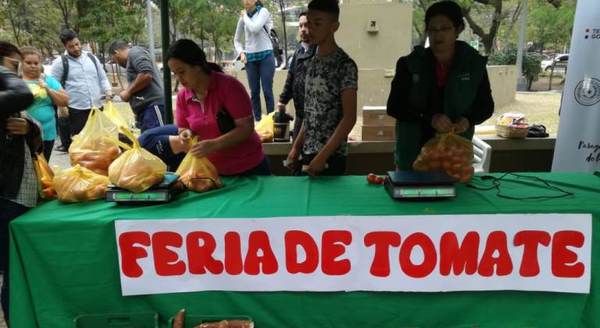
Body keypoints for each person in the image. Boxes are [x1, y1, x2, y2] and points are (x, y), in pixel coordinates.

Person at [386, 1, 494, 170]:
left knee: (456, 195)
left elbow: (486, 106)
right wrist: (429, 117)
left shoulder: (473, 65)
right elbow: (394, 106)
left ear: (458, 29)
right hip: (412, 154)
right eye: (433, 29)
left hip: (454, 157)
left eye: (445, 28)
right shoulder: (410, 64)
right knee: (410, 194)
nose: (438, 35)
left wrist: (467, 120)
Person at [167, 39, 270, 176]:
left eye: (182, 72)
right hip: (211, 172)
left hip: (248, 168)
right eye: (175, 74)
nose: (178, 79)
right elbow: (184, 129)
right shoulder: (182, 97)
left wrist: (214, 144)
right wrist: (185, 135)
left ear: (197, 65)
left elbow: (246, 128)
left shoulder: (230, 87)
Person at [286, 0, 358, 176]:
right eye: (309, 23)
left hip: (331, 156)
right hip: (308, 152)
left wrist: (323, 156)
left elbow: (349, 118)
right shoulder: (311, 61)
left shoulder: (344, 65)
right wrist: (296, 146)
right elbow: (310, 112)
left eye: (318, 23)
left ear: (335, 26)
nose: (311, 28)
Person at [0, 41, 39, 325]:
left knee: (17, 266)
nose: (18, 71)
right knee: (11, 268)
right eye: (15, 64)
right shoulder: (10, 85)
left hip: (19, 191)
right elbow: (22, 93)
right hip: (6, 194)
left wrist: (30, 128)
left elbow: (31, 132)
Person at [50, 29, 113, 142]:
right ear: (65, 46)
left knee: (101, 141)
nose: (76, 48)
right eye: (71, 46)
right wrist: (61, 105)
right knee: (82, 144)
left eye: (77, 44)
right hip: (76, 110)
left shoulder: (92, 58)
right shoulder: (60, 63)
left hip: (97, 107)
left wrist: (108, 91)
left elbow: (102, 78)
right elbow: (53, 85)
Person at [20, 47, 69, 161]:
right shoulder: (16, 81)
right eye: (28, 63)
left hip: (47, 133)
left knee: (43, 165)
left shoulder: (49, 80)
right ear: (21, 63)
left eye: (36, 63)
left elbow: (65, 100)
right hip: (24, 134)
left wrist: (47, 89)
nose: (33, 66)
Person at [109, 41, 165, 132]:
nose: (117, 63)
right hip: (147, 110)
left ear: (116, 52)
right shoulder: (132, 58)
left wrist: (128, 91)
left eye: (115, 59)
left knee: (158, 141)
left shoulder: (135, 53)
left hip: (153, 106)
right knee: (149, 143)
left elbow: (146, 74)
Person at [234, 0, 276, 121]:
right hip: (250, 59)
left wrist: (244, 16)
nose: (246, 1)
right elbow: (236, 39)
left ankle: (270, 120)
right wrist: (241, 52)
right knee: (254, 92)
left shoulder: (263, 12)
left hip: (266, 56)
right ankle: (257, 121)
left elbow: (255, 28)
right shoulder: (243, 17)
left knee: (267, 90)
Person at [277, 12, 317, 140]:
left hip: (315, 116)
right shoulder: (298, 52)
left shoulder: (319, 51)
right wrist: (282, 101)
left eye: (306, 25)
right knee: (296, 147)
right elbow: (291, 77)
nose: (303, 29)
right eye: (300, 26)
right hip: (300, 114)